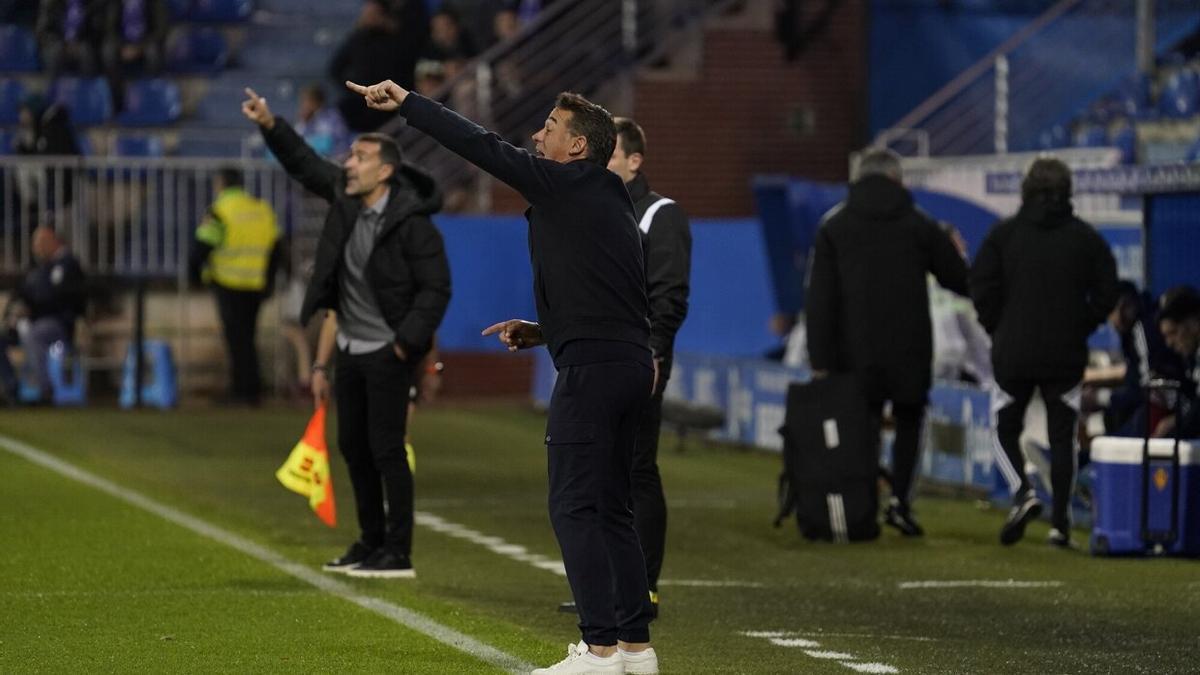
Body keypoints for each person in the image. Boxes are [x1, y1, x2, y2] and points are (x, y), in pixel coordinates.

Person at [344, 79, 658, 674]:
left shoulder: (564, 183)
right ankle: (636, 651)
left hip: (593, 370)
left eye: (550, 127)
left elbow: (479, 145)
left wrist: (408, 103)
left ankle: (599, 652)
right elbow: (612, 292)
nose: (538, 134)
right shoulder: (610, 196)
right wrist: (546, 330)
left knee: (573, 507)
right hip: (625, 361)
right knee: (612, 507)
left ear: (576, 149)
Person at [241, 87, 451, 579]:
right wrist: (270, 123)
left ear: (386, 171)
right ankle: (369, 541)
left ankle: (398, 552)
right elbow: (304, 164)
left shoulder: (414, 226)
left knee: (387, 449)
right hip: (352, 350)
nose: (348, 163)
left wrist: (405, 344)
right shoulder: (347, 201)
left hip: (389, 352)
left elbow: (436, 290)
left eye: (360, 157)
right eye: (351, 156)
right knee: (353, 448)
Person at [555, 116, 690, 619]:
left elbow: (669, 292)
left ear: (634, 161)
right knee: (603, 473)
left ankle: (642, 588)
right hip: (604, 354)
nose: (602, 164)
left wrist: (655, 350)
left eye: (611, 156)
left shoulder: (659, 214)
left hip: (639, 357)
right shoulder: (599, 208)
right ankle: (612, 586)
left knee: (635, 469)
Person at [806, 149, 969, 538]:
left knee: (864, 425)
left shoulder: (835, 225)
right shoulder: (919, 224)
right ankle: (900, 501)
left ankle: (861, 505)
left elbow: (820, 299)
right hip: (909, 347)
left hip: (854, 349)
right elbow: (958, 278)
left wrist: (821, 357)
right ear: (898, 180)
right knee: (911, 419)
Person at [971, 157, 1118, 549]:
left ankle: (1023, 491)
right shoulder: (1085, 238)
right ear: (1067, 192)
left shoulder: (1003, 236)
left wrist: (997, 327)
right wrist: (1081, 324)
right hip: (1065, 353)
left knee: (1004, 426)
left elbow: (981, 287)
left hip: (1013, 349)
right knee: (1063, 435)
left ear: (1026, 191)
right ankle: (1060, 526)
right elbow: (1108, 289)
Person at [190, 167, 281, 407]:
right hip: (255, 284)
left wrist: (194, 278)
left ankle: (242, 392)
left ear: (221, 184)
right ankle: (252, 390)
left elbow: (201, 246)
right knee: (249, 338)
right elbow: (277, 249)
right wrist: (269, 282)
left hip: (227, 282)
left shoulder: (220, 211)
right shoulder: (261, 209)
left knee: (236, 340)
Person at [0, 226, 86, 405]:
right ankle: (11, 389)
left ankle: (46, 390)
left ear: (53, 240)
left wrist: (34, 308)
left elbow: (66, 298)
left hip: (59, 325)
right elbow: (22, 293)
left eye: (39, 243)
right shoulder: (39, 268)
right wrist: (16, 311)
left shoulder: (69, 264)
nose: (36, 248)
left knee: (35, 335)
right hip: (33, 322)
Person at [1154, 287, 1200, 439]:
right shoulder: (1191, 357)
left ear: (1194, 323)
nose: (1169, 343)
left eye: (1173, 332)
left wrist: (1175, 426)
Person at [37, 0, 106, 79]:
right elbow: (43, 31)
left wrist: (77, 43)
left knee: (86, 52)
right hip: (57, 43)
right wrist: (63, 44)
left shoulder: (93, 3)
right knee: (55, 53)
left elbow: (97, 29)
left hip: (83, 42)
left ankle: (87, 89)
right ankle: (53, 88)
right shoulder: (50, 3)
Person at [293, 84, 351, 159]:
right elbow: (298, 140)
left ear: (315, 102)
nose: (303, 105)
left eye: (305, 101)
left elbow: (330, 143)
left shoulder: (332, 116)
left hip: (335, 158)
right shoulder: (306, 120)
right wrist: (304, 122)